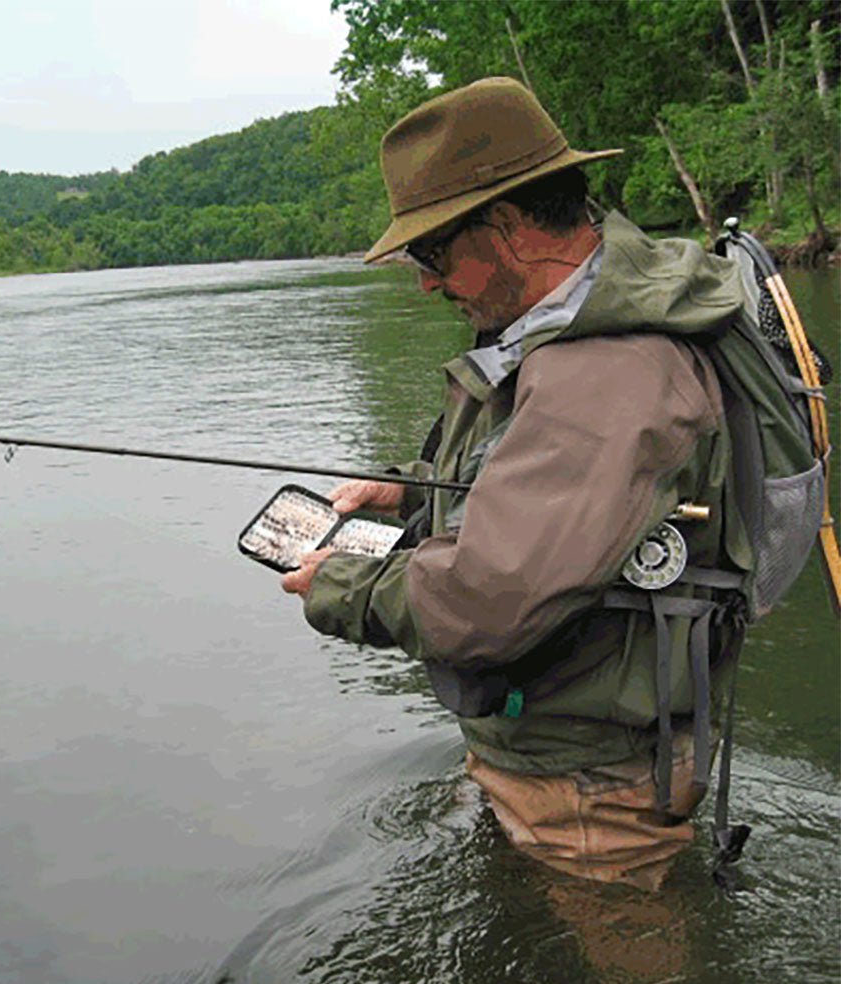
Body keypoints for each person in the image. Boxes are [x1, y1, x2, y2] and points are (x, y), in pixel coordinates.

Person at [281, 77, 748, 891]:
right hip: (564, 746)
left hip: (591, 785)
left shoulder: (605, 372)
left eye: (432, 253)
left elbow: (491, 597)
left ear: (505, 229)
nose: (425, 282)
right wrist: (415, 491)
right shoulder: (568, 325)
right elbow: (537, 478)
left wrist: (347, 586)